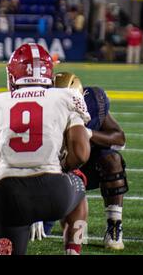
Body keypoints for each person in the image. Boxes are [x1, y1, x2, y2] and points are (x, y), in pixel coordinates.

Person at [0, 43, 91, 255]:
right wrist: (62, 166)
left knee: (7, 239)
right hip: (53, 193)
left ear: (13, 75)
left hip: (8, 193)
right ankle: (73, 250)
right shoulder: (67, 98)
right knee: (79, 181)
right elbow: (81, 153)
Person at [52, 72, 128, 250]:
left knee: (112, 159)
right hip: (56, 170)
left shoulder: (93, 102)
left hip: (87, 166)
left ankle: (114, 225)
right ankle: (72, 226)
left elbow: (119, 139)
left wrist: (89, 134)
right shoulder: (43, 109)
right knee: (69, 235)